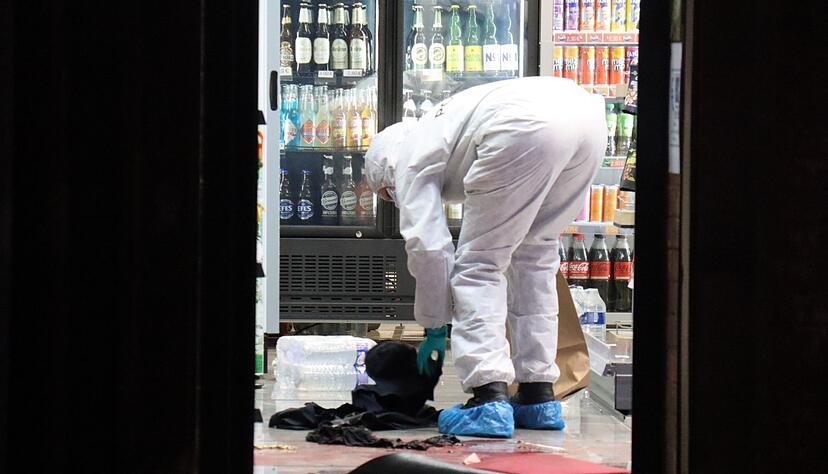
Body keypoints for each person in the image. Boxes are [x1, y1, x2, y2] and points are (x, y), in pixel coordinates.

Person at [363, 77, 606, 438]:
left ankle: (488, 396)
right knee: (535, 260)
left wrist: (433, 324)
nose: (394, 199)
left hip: (522, 126)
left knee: (479, 265)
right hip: (587, 121)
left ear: (385, 174)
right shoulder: (439, 128)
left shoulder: (405, 158)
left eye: (388, 195)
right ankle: (538, 394)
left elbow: (430, 249)